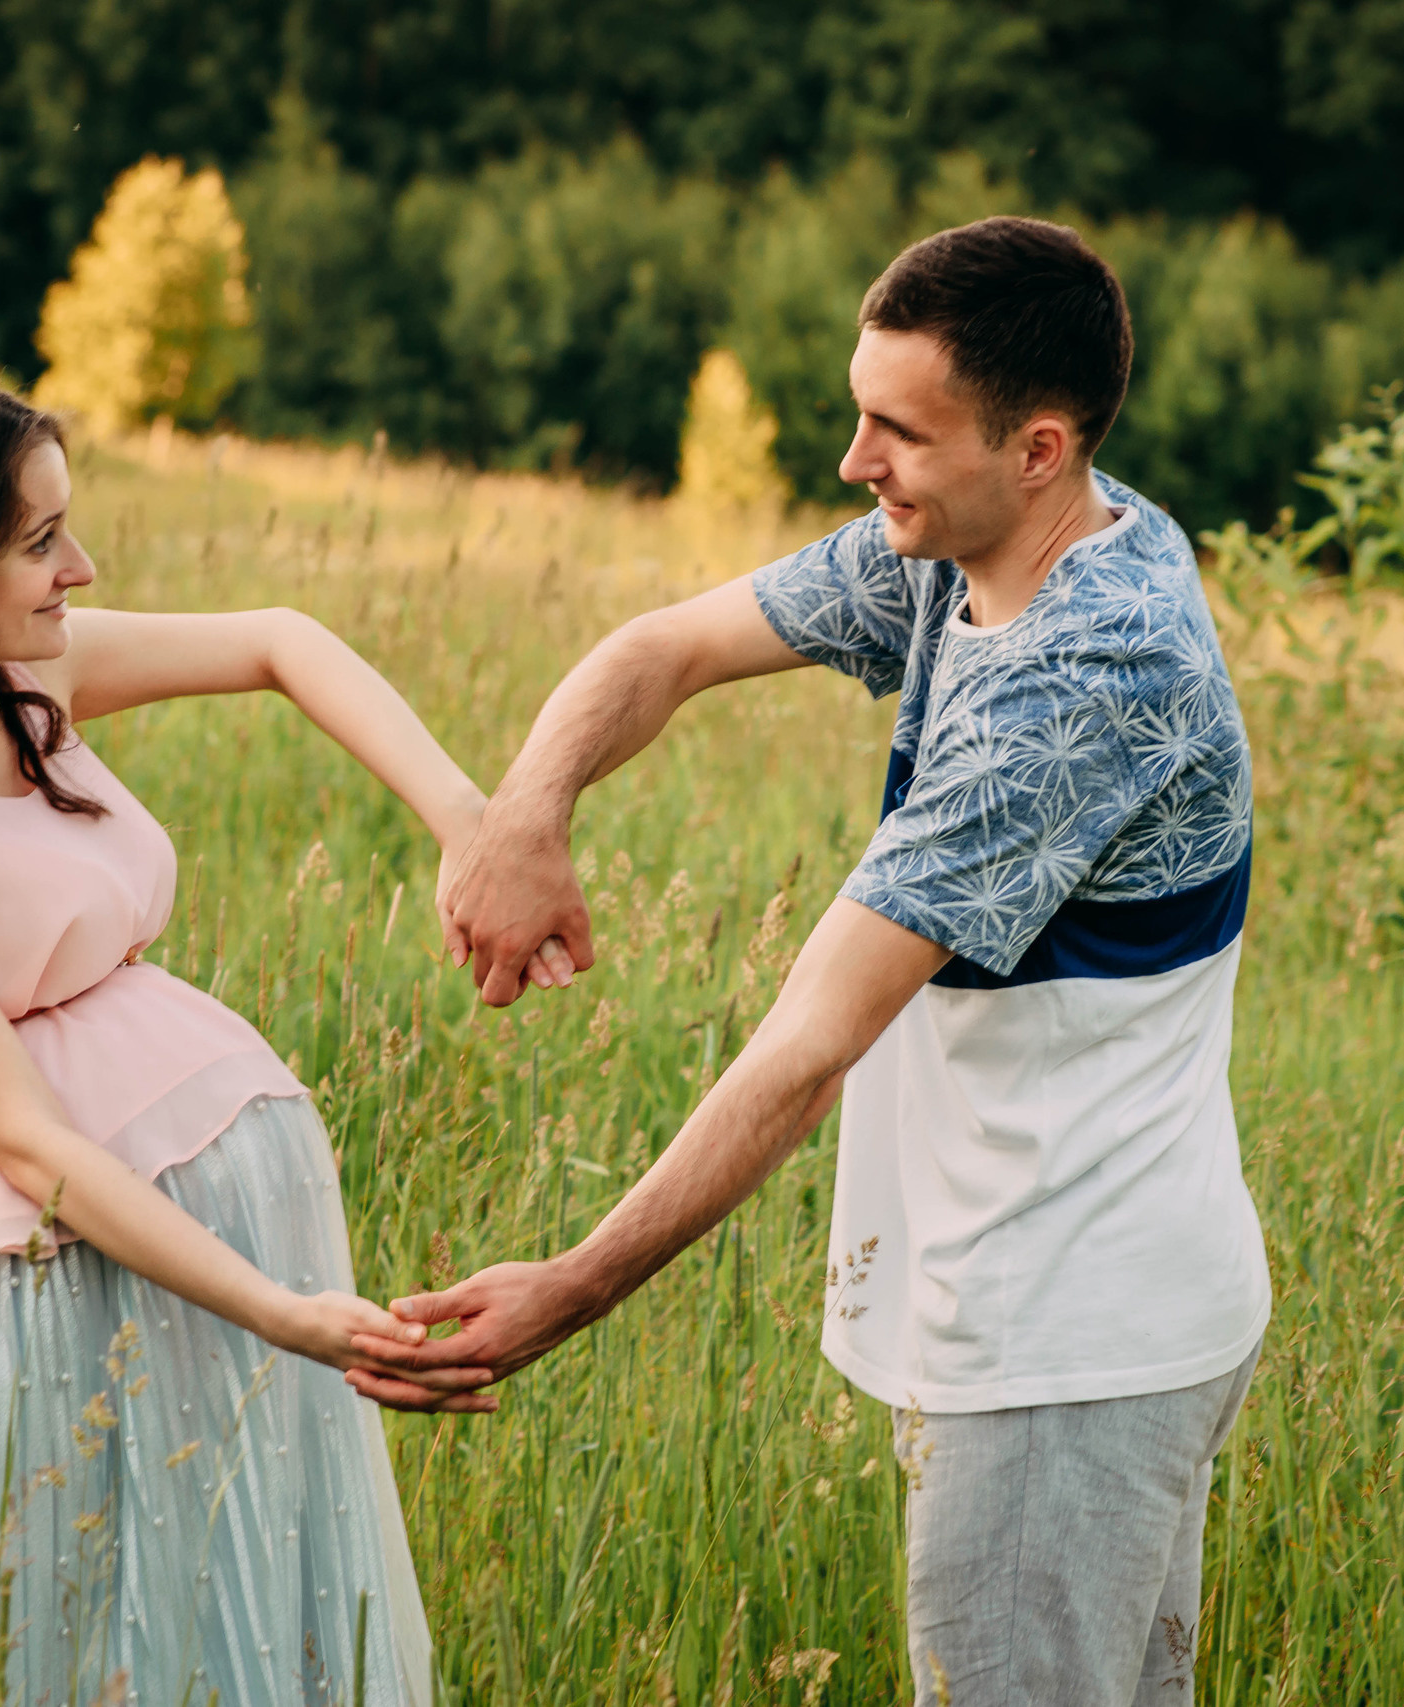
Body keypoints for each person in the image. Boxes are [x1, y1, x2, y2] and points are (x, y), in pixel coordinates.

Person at [354, 217, 1272, 1704]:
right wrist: (527, 813)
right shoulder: (987, 541)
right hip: (1076, 1302)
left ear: (1038, 448)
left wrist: (574, 1290)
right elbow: (665, 646)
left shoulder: (1084, 679)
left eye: (898, 431)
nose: (857, 460)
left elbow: (809, 1041)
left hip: (1069, 1343)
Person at [0, 375, 521, 1704]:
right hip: (16, 1269)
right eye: (38, 542)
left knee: (200, 1624)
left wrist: (468, 824)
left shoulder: (26, 676)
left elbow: (281, 639)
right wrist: (283, 1316)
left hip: (173, 1260)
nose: (76, 569)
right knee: (47, 1639)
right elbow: (28, 1139)